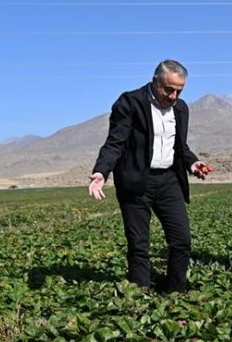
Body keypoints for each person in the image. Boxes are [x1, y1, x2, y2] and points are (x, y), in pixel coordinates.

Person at [88, 60, 209, 293]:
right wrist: (102, 172)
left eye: (179, 91)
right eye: (169, 90)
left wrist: (193, 163)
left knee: (181, 241)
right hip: (136, 182)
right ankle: (139, 296)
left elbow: (180, 146)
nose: (174, 96)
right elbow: (115, 142)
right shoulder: (130, 103)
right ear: (155, 82)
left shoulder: (181, 109)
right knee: (139, 245)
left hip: (169, 181)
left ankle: (175, 293)